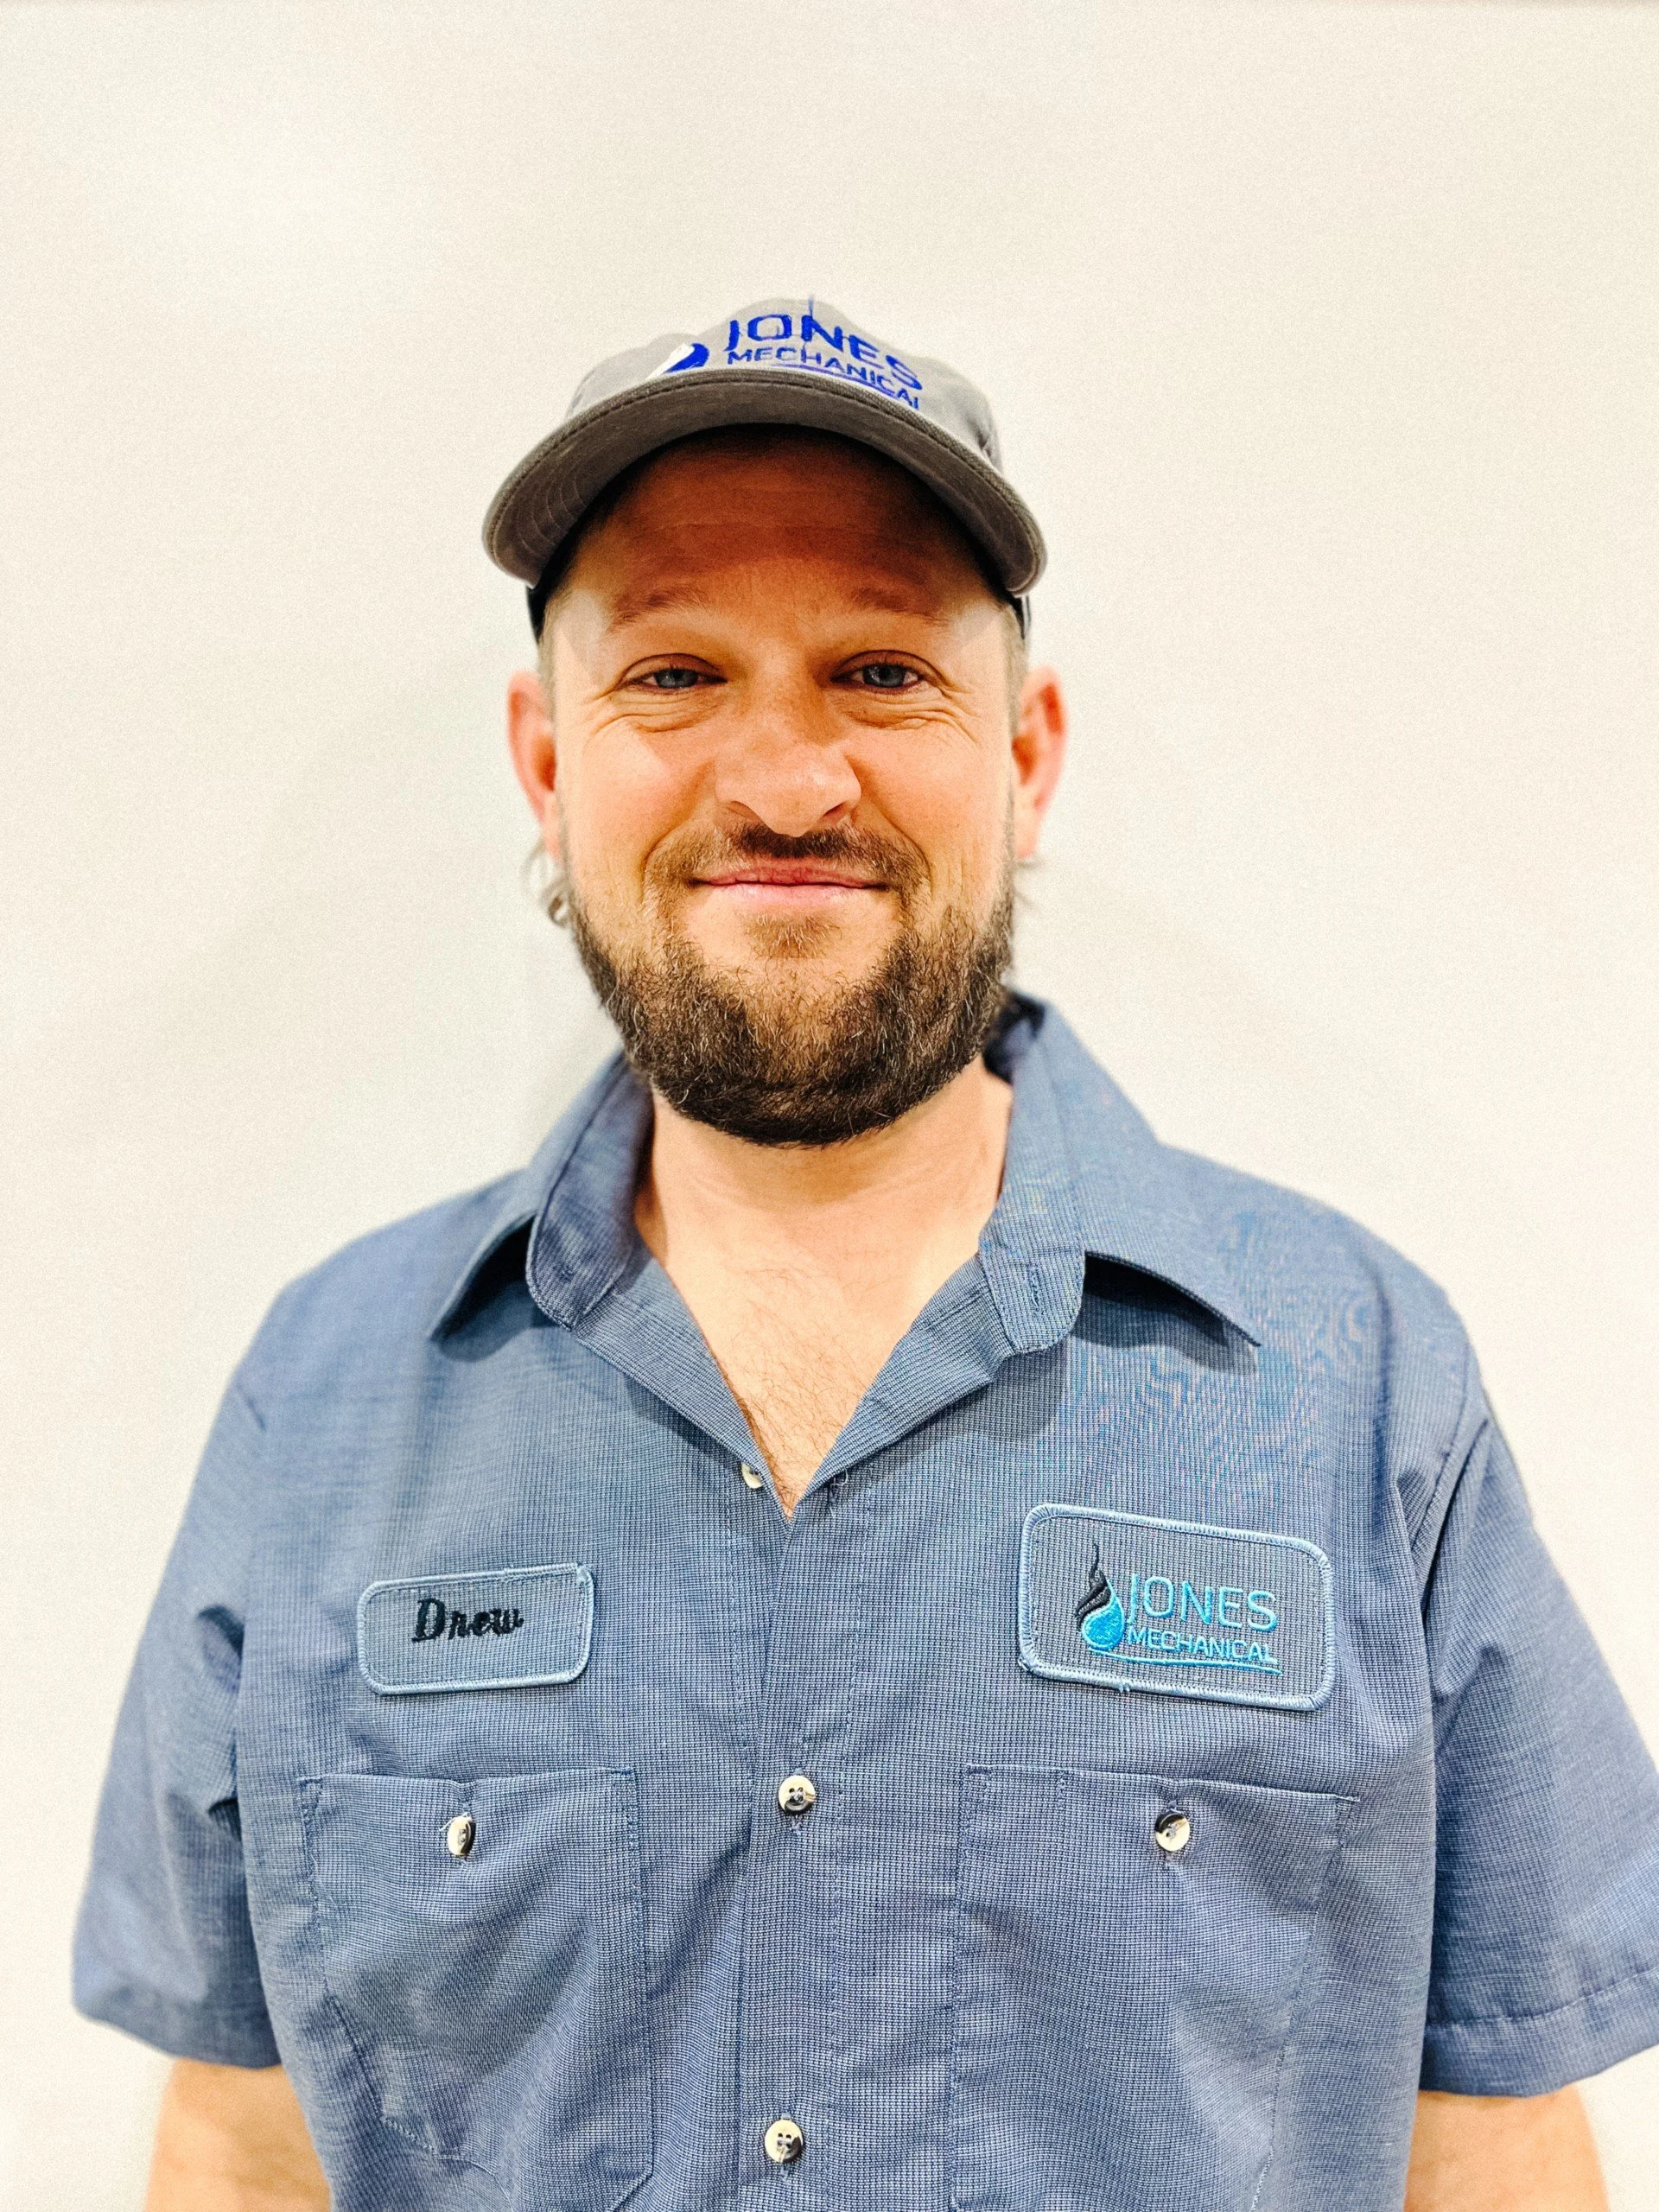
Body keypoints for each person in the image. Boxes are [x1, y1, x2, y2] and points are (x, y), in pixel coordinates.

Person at [75, 297, 1659, 2212]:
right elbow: (247, 2152)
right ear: (544, 758)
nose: (784, 782)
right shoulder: (324, 1404)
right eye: (674, 673)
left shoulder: (1357, 1380)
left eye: (882, 670)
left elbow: (1490, 2151)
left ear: (1028, 751)